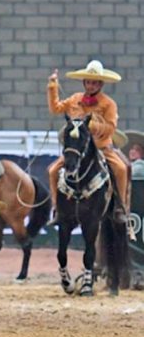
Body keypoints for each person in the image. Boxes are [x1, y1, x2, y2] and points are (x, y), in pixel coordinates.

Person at [47, 60, 129, 224]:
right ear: (84, 82)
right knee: (52, 171)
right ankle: (57, 208)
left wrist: (93, 126)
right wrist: (52, 87)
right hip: (77, 149)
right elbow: (55, 108)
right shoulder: (75, 99)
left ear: (100, 84)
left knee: (121, 169)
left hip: (101, 148)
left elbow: (111, 128)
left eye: (94, 83)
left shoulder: (108, 104)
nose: (90, 86)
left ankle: (120, 207)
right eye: (88, 82)